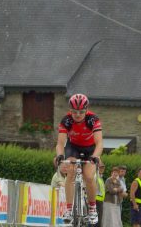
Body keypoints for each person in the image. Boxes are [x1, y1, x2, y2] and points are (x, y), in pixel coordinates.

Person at [55, 93, 103, 224]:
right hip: (73, 147)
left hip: (90, 149)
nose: (78, 115)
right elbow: (60, 143)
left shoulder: (92, 119)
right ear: (70, 110)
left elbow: (99, 143)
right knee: (70, 172)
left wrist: (95, 157)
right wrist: (60, 156)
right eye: (74, 112)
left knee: (88, 176)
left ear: (86, 110)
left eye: (81, 112)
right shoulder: (66, 121)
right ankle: (69, 210)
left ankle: (92, 208)